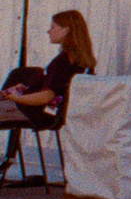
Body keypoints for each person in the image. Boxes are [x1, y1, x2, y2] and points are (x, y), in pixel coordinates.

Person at [1, 10, 97, 180]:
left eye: (53, 27)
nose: (48, 31)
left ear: (66, 30)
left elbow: (46, 96)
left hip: (34, 112)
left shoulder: (62, 62)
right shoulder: (82, 62)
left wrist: (15, 98)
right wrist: (23, 91)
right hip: (51, 113)